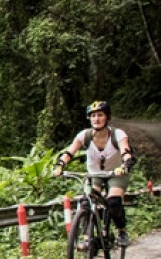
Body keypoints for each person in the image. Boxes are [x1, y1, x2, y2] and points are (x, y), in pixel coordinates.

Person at [52, 100, 136, 246]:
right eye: (93, 116)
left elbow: (125, 151)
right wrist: (60, 165)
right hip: (95, 175)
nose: (96, 119)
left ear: (107, 117)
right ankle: (87, 238)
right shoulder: (84, 135)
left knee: (113, 201)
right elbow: (70, 152)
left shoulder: (118, 134)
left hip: (116, 174)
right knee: (85, 203)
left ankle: (121, 231)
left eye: (100, 115)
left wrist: (126, 164)